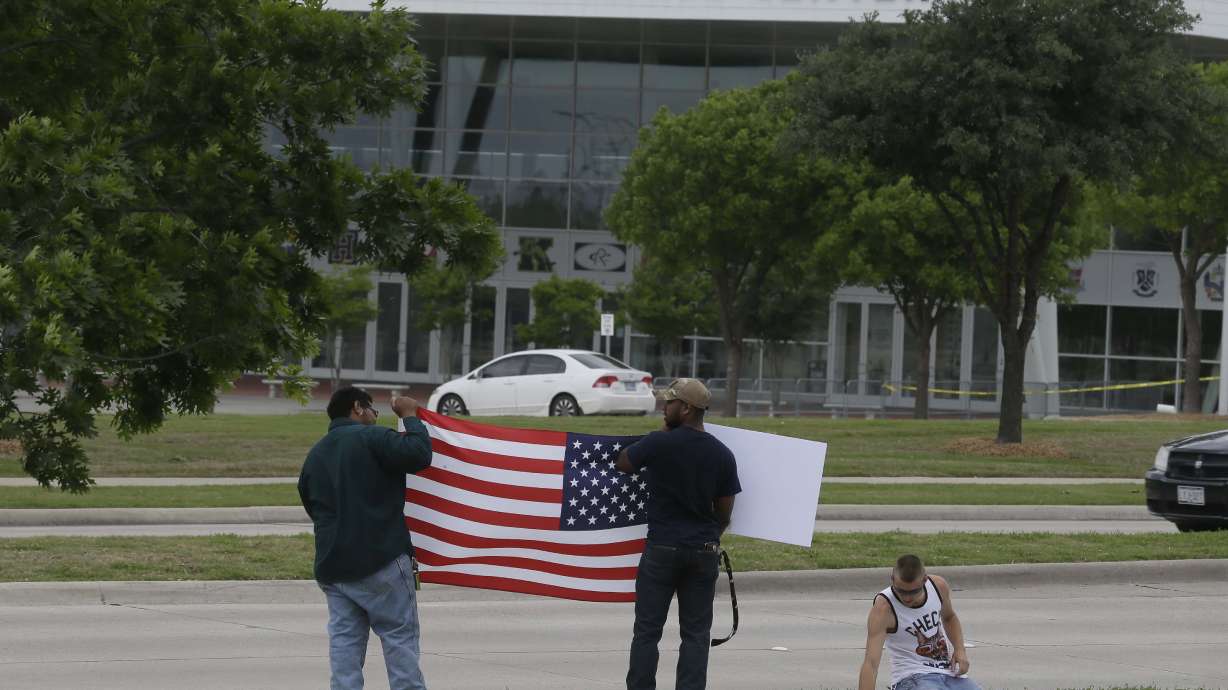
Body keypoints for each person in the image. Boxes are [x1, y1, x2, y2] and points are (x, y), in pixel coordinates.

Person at [298, 387, 433, 690]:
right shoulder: (373, 438)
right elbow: (419, 454)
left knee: (344, 645)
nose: (375, 415)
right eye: (372, 409)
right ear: (357, 407)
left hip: (334, 568)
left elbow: (312, 506)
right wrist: (409, 415)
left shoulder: (315, 455)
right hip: (382, 560)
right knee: (399, 640)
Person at [615, 378, 741, 690]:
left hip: (662, 549)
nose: (663, 406)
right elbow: (724, 512)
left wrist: (661, 433)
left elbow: (624, 462)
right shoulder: (723, 454)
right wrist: (709, 536)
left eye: (669, 402)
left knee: (647, 631)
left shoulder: (659, 443)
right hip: (703, 552)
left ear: (685, 409)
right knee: (696, 635)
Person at [859, 554, 981, 690]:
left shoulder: (938, 586)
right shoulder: (884, 608)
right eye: (901, 591)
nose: (907, 598)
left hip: (949, 674)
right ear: (892, 579)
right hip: (911, 677)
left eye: (913, 592)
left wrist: (959, 649)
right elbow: (871, 664)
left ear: (925, 580)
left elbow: (949, 617)